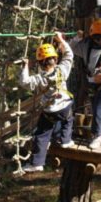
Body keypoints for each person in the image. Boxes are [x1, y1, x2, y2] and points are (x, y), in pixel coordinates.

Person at [20, 32, 74, 173]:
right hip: (65, 107)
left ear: (39, 63)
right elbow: (69, 55)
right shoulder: (62, 70)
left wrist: (25, 66)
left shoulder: (39, 79)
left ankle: (37, 162)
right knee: (68, 119)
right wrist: (61, 40)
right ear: (55, 60)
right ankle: (66, 140)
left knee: (42, 134)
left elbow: (24, 82)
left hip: (50, 110)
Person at [69, 20, 101, 149]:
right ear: (97, 37)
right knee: (95, 109)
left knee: (99, 111)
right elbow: (72, 47)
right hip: (92, 84)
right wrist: (77, 37)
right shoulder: (87, 47)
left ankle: (97, 135)